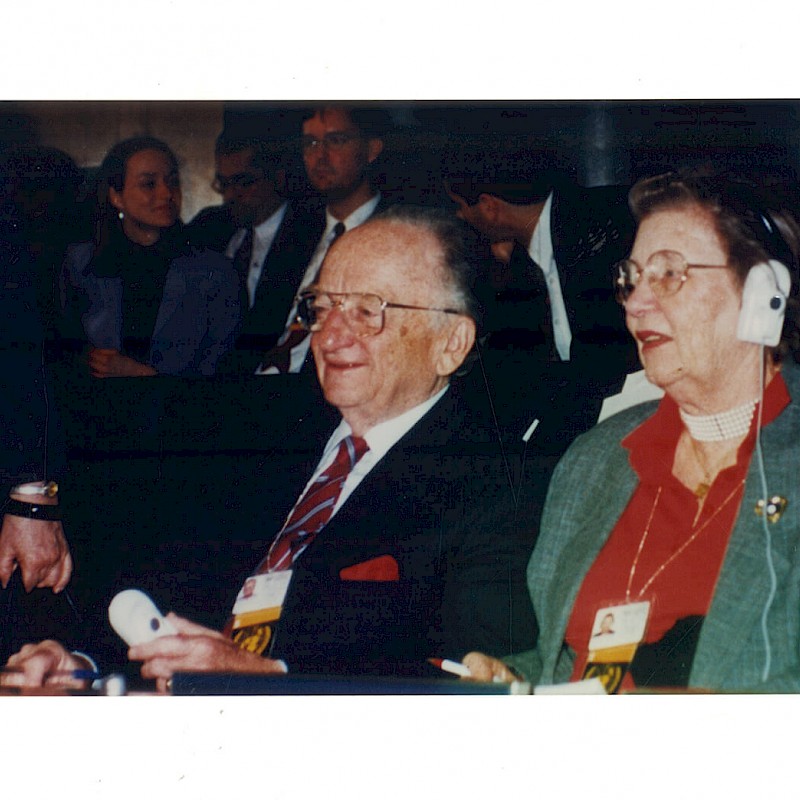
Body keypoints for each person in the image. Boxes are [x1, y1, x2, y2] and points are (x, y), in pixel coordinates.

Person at [2, 206, 536, 692]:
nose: (330, 337)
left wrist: (271, 681)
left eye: (369, 311)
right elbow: (164, 586)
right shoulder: (264, 433)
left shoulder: (497, 486)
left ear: (451, 343)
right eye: (322, 307)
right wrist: (79, 664)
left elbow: (471, 683)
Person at [463, 173, 800, 693]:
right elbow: (570, 664)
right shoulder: (595, 460)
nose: (636, 302)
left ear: (762, 295)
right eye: (631, 277)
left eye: (669, 274)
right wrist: (515, 679)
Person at [60, 136, 240, 378]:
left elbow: (222, 371)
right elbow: (62, 354)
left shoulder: (214, 272)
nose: (166, 193)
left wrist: (144, 375)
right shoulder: (79, 264)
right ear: (116, 196)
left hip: (180, 411)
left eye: (172, 181)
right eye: (149, 184)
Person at [256, 105, 393, 374]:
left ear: (372, 149)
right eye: (310, 143)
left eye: (337, 140)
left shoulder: (394, 235)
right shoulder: (295, 229)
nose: (319, 155)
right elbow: (259, 326)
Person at [187, 132, 320, 364]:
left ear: (277, 177)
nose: (230, 194)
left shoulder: (309, 235)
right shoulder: (209, 226)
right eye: (224, 183)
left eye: (244, 182)